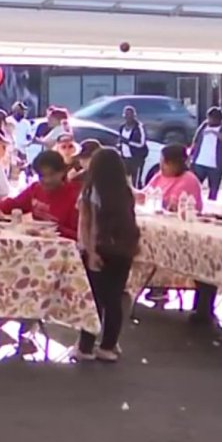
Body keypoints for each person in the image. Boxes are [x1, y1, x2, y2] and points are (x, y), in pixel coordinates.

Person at [75, 148, 141, 363]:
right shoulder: (125, 191)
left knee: (94, 300)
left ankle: (85, 345)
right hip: (123, 249)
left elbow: (88, 224)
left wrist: (90, 251)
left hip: (100, 248)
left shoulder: (91, 191)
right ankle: (109, 345)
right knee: (114, 298)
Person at [0, 150, 82, 240]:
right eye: (42, 175)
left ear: (62, 172)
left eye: (52, 174)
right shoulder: (35, 189)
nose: (47, 180)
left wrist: (53, 230)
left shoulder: (76, 196)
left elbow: (79, 235)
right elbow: (13, 204)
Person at [140, 144, 203, 211]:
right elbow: (144, 194)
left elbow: (172, 205)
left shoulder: (189, 180)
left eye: (166, 163)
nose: (161, 166)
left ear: (177, 164)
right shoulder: (159, 175)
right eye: (161, 162)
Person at [190, 107, 222, 200]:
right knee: (194, 186)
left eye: (211, 118)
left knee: (213, 190)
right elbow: (196, 140)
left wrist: (214, 132)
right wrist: (190, 155)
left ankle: (211, 206)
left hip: (215, 164)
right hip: (200, 162)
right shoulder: (204, 125)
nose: (209, 120)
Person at [118, 106, 148, 188]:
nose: (128, 117)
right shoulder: (122, 127)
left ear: (134, 116)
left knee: (136, 181)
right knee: (123, 181)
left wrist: (128, 142)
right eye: (126, 115)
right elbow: (120, 141)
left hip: (136, 159)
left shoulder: (139, 127)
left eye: (130, 115)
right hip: (124, 158)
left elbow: (142, 143)